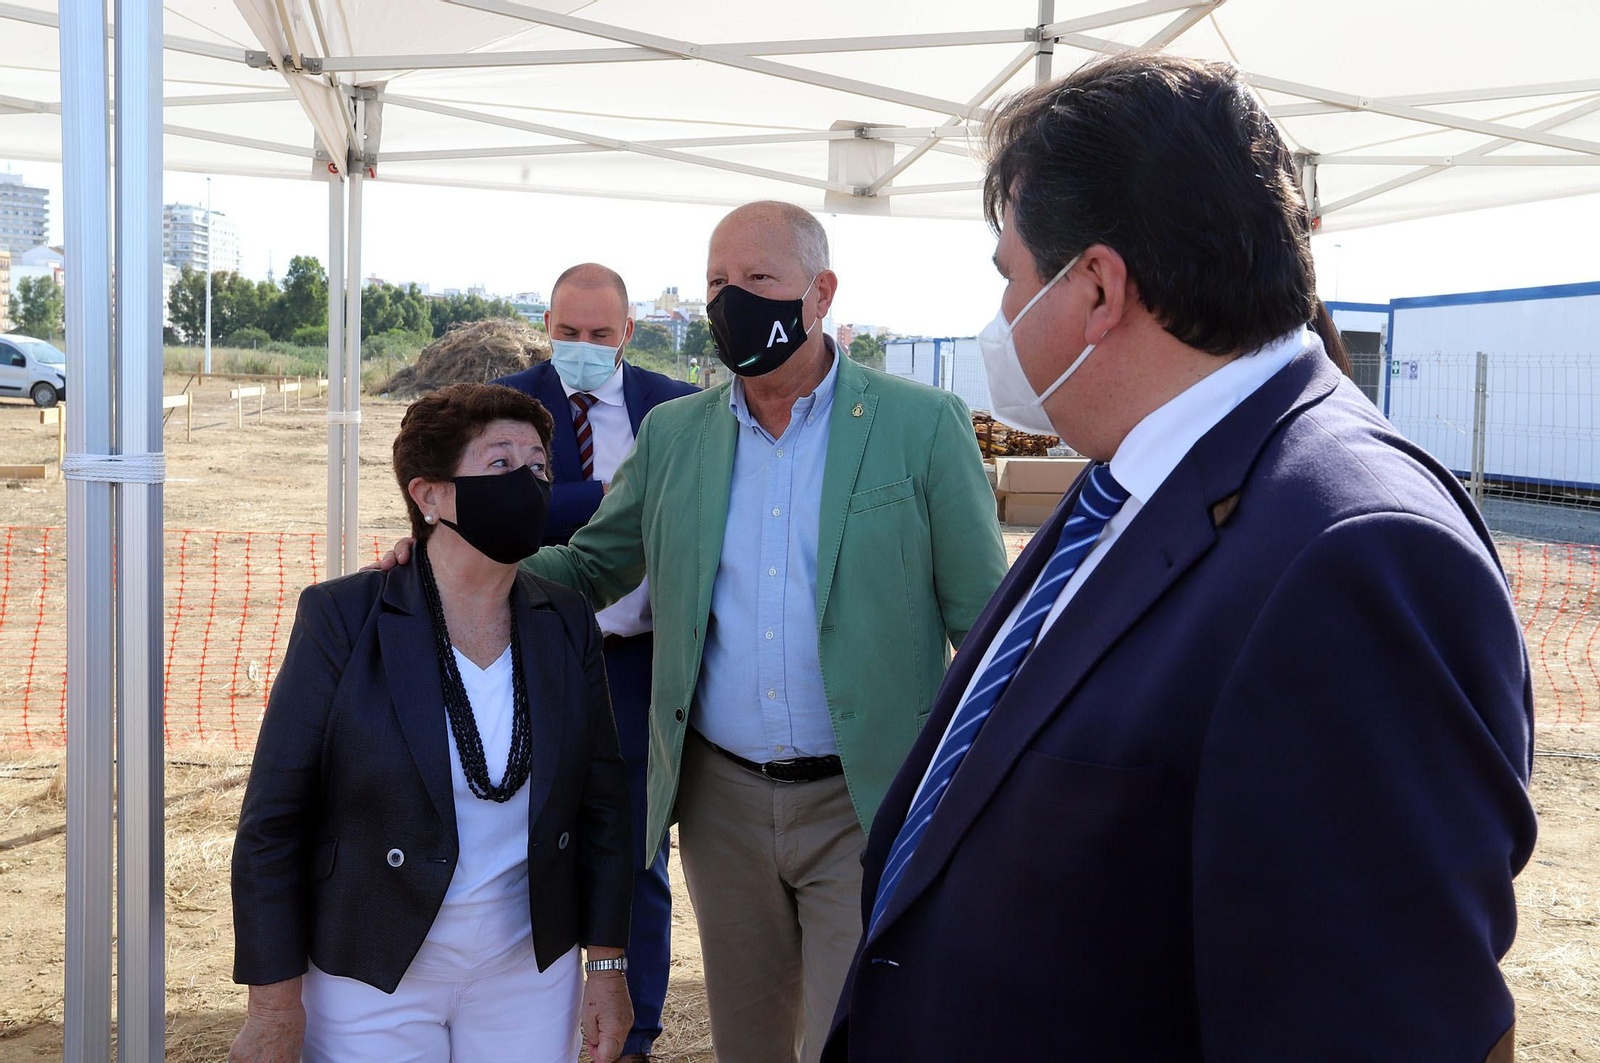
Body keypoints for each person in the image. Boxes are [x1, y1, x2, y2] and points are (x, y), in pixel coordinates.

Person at [826, 56, 1536, 1063]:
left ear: (1098, 287)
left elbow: (1373, 1021)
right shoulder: (1143, 465)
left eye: (1010, 276)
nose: (1000, 315)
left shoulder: (1354, 554)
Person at [381, 200, 1007, 1063]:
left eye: (758, 279)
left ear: (820, 293)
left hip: (866, 799)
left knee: (853, 1033)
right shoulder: (677, 434)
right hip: (724, 807)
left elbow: (983, 618)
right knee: (747, 1040)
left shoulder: (920, 424)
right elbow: (594, 564)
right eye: (717, 281)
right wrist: (457, 563)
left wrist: (991, 791)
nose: (731, 299)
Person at [230, 383, 634, 1063]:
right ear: (430, 495)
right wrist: (273, 1004)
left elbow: (603, 807)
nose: (530, 481)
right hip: (372, 973)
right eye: (501, 463)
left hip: (529, 976)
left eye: (538, 465)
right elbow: (273, 821)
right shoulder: (343, 618)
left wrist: (607, 968)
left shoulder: (564, 620)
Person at [493, 263, 696, 1063]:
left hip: (641, 663)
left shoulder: (676, 408)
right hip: (528, 660)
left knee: (639, 853)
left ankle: (634, 1034)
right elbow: (512, 507)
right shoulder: (505, 403)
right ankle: (523, 1026)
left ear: (628, 334)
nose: (581, 347)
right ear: (546, 322)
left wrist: (568, 500)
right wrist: (622, 490)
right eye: (567, 332)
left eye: (599, 335)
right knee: (523, 843)